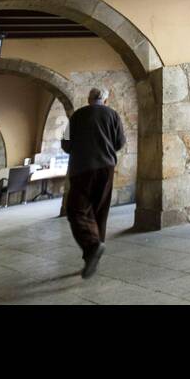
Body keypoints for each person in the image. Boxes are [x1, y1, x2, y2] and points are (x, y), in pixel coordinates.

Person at [61, 87, 125, 278]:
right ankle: (94, 254)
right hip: (106, 168)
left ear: (89, 99)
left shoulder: (76, 116)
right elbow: (120, 142)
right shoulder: (113, 115)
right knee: (100, 211)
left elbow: (65, 144)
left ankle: (92, 247)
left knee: (76, 210)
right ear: (105, 101)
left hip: (81, 168)